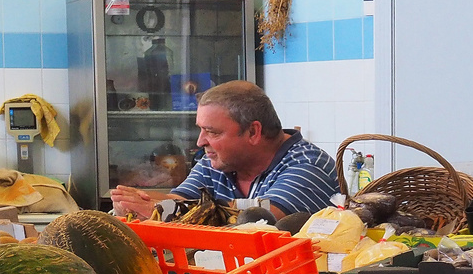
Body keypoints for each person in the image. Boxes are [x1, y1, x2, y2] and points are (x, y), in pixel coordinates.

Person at [110, 81, 338, 221]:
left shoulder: (307, 165)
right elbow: (180, 199)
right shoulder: (218, 162)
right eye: (201, 130)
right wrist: (138, 203)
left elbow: (264, 217)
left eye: (213, 132)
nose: (201, 142)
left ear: (253, 132)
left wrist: (163, 209)